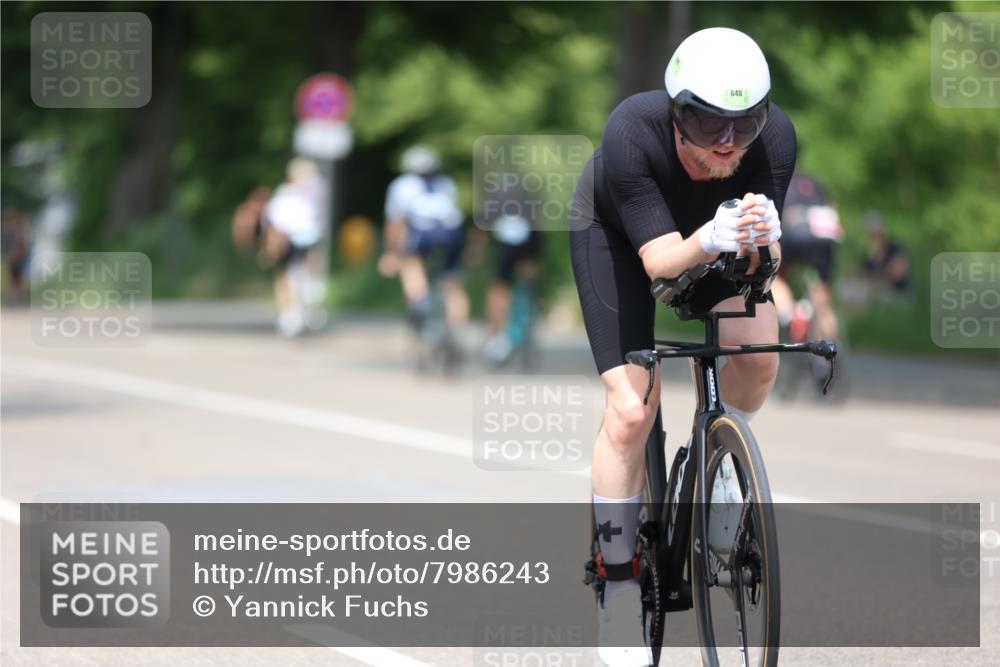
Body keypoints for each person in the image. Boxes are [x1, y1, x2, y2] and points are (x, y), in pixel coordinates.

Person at [569, 27, 794, 666]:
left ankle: (724, 466)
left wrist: (766, 241)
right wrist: (711, 237)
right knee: (632, 410)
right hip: (621, 237)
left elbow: (765, 260)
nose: (726, 142)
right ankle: (617, 583)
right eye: (705, 122)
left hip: (715, 238)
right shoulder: (631, 132)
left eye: (743, 124)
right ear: (675, 111)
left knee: (756, 352)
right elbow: (664, 266)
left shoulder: (774, 140)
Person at [379, 145, 469, 336]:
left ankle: (418, 302)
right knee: (452, 282)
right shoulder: (447, 183)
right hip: (451, 234)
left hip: (423, 233)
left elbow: (396, 224)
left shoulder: (402, 185)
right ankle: (457, 329)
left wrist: (392, 253)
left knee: (411, 264)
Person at [769, 169, 843, 342]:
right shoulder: (815, 182)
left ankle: (792, 314)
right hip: (825, 236)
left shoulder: (780, 180)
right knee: (822, 299)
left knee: (776, 277)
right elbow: (832, 208)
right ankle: (827, 351)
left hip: (796, 234)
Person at [262, 158, 327, 336]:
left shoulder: (284, 194)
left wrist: (271, 245)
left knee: (285, 275)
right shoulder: (315, 189)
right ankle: (306, 303)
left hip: (288, 238)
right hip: (307, 236)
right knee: (304, 271)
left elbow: (274, 221)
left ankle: (290, 313)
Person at [862, 211, 911, 298]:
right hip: (876, 290)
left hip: (897, 291)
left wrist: (878, 274)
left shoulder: (895, 248)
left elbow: (898, 272)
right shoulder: (870, 253)